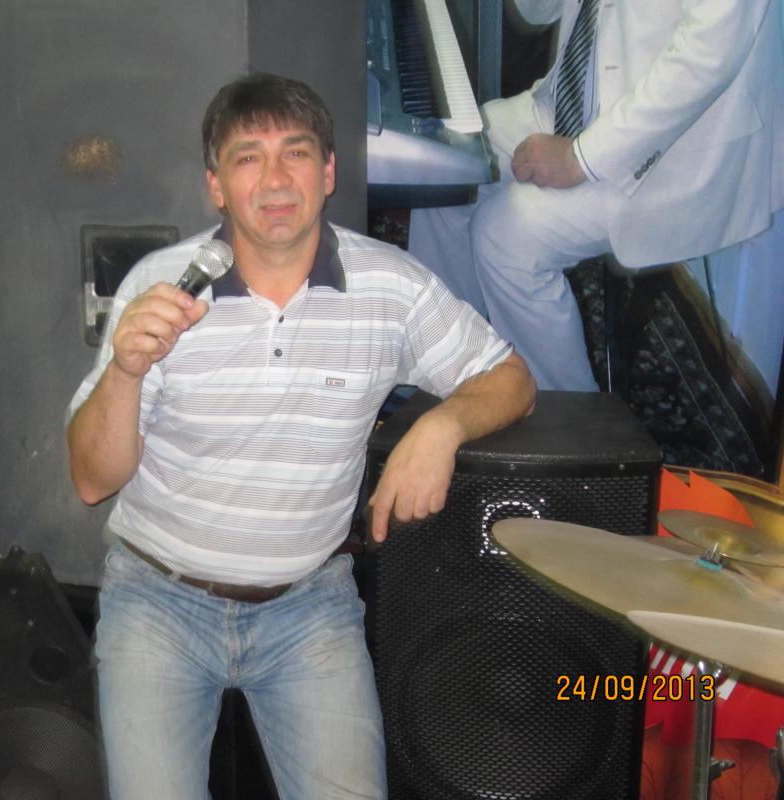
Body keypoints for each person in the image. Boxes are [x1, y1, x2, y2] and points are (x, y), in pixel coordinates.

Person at [65, 73, 536, 799]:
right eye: (247, 158)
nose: (276, 178)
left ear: (328, 171)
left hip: (308, 607)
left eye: (296, 152)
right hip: (159, 602)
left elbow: (509, 377)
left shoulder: (391, 288)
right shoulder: (161, 287)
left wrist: (441, 425)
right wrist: (125, 372)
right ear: (216, 186)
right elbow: (93, 481)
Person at [408, 0, 784, 391]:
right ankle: (447, 371)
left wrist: (581, 157)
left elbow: (706, 58)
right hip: (574, 104)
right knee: (444, 164)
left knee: (507, 236)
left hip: (678, 149)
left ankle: (564, 421)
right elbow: (540, 11)